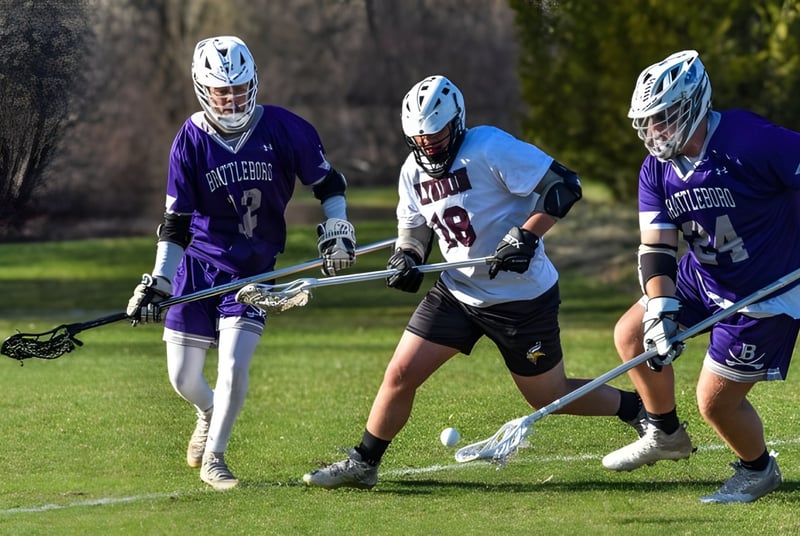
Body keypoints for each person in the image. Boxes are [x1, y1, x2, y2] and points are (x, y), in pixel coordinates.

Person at [302, 74, 645, 490]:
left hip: (520, 297)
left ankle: (637, 408)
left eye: (436, 134)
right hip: (458, 291)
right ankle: (364, 462)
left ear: (457, 122)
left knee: (547, 396)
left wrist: (526, 235)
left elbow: (564, 185)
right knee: (400, 373)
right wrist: (407, 257)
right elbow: (415, 229)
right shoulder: (412, 170)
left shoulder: (488, 147)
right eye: (420, 138)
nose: (429, 144)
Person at [126, 35, 356, 490]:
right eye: (221, 91)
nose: (231, 100)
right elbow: (175, 223)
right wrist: (161, 280)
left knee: (233, 364)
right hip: (198, 266)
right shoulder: (190, 140)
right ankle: (208, 411)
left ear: (254, 83)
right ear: (202, 89)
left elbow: (330, 183)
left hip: (254, 271)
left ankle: (215, 458)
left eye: (238, 89)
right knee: (182, 377)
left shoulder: (285, 129)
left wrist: (337, 227)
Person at [601, 50, 800, 504]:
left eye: (663, 117)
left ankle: (758, 470)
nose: (654, 130)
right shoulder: (656, 169)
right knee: (633, 334)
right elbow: (656, 247)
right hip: (706, 272)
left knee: (715, 403)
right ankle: (665, 433)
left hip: (766, 288)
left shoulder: (748, 139)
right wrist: (660, 310)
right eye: (648, 121)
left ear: (692, 105)